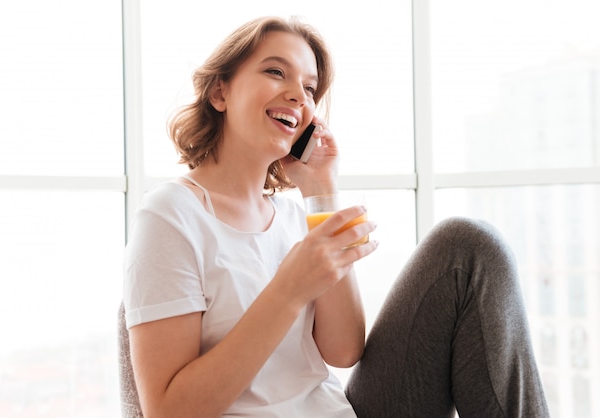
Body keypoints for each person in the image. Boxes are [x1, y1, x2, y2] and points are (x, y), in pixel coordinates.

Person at [122, 16, 550, 417]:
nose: (298, 95)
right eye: (276, 71)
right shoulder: (171, 215)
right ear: (220, 93)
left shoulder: (295, 217)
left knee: (466, 246)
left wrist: (320, 192)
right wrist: (288, 290)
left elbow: (343, 351)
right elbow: (167, 409)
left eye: (310, 88)